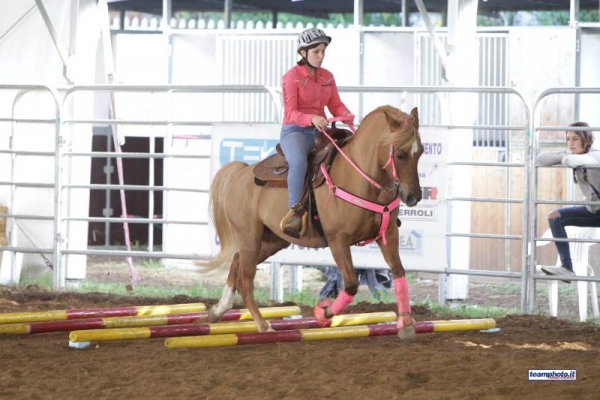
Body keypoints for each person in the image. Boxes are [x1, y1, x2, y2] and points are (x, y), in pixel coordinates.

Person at [279, 28, 353, 238]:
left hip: (321, 130)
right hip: (295, 131)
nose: (321, 56)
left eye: (323, 51)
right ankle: (295, 210)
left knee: (349, 152)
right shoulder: (290, 78)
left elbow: (336, 105)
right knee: (299, 162)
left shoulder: (327, 76)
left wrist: (345, 114)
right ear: (303, 53)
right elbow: (291, 113)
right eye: (316, 52)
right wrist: (311, 118)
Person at [537, 121, 600, 280]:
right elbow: (541, 159)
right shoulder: (577, 155)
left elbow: (568, 161)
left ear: (586, 140)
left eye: (575, 139)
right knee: (555, 216)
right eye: (568, 139)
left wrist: (568, 155)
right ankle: (567, 267)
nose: (570, 143)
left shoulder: (596, 154)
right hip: (593, 210)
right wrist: (567, 153)